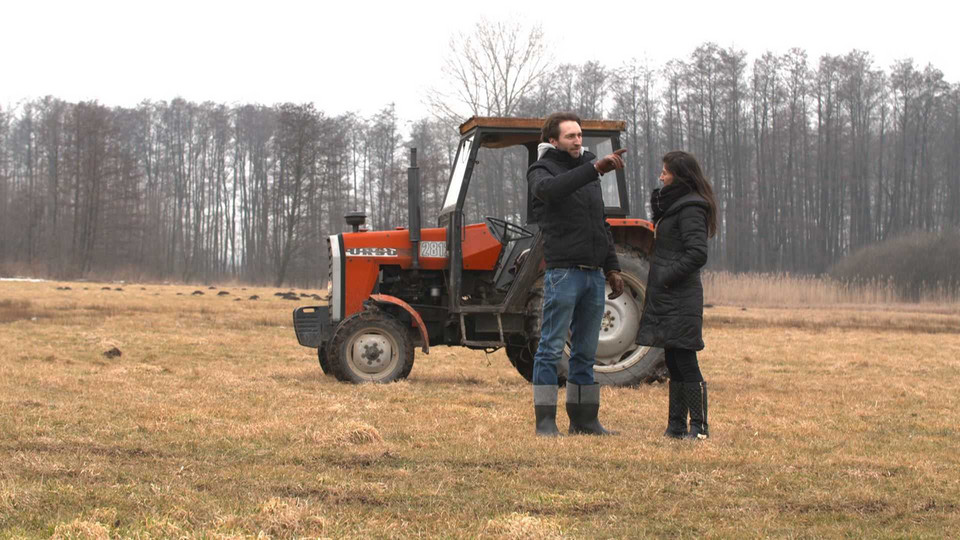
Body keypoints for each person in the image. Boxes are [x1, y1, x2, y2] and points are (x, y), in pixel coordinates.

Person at [527, 112, 627, 437]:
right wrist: (594, 169)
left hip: (593, 275)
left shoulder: (589, 175)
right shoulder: (542, 170)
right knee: (551, 348)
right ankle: (545, 423)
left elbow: (600, 224)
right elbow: (550, 191)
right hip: (563, 273)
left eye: (580, 135)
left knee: (585, 351)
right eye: (570, 136)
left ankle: (584, 421)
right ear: (553, 141)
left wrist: (612, 267)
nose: (578, 141)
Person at [636, 150, 718, 440]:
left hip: (681, 295)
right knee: (672, 359)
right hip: (669, 295)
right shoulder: (676, 206)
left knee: (685, 360)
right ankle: (675, 426)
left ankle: (699, 427)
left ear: (680, 176)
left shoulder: (691, 208)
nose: (660, 176)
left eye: (665, 172)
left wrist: (665, 276)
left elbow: (697, 254)